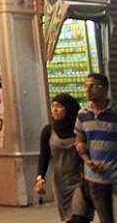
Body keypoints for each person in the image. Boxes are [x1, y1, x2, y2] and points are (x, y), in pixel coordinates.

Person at [35, 94, 93, 223]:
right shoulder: (48, 130)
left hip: (81, 179)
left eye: (59, 106)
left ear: (69, 109)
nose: (54, 110)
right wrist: (40, 177)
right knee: (70, 218)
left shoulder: (80, 129)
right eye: (52, 106)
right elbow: (44, 156)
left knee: (79, 217)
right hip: (60, 182)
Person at [76, 73, 117, 223]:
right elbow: (79, 142)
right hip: (95, 178)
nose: (87, 89)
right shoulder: (83, 114)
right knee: (106, 219)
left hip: (115, 175)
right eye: (86, 85)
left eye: (92, 86)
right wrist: (87, 160)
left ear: (104, 89)